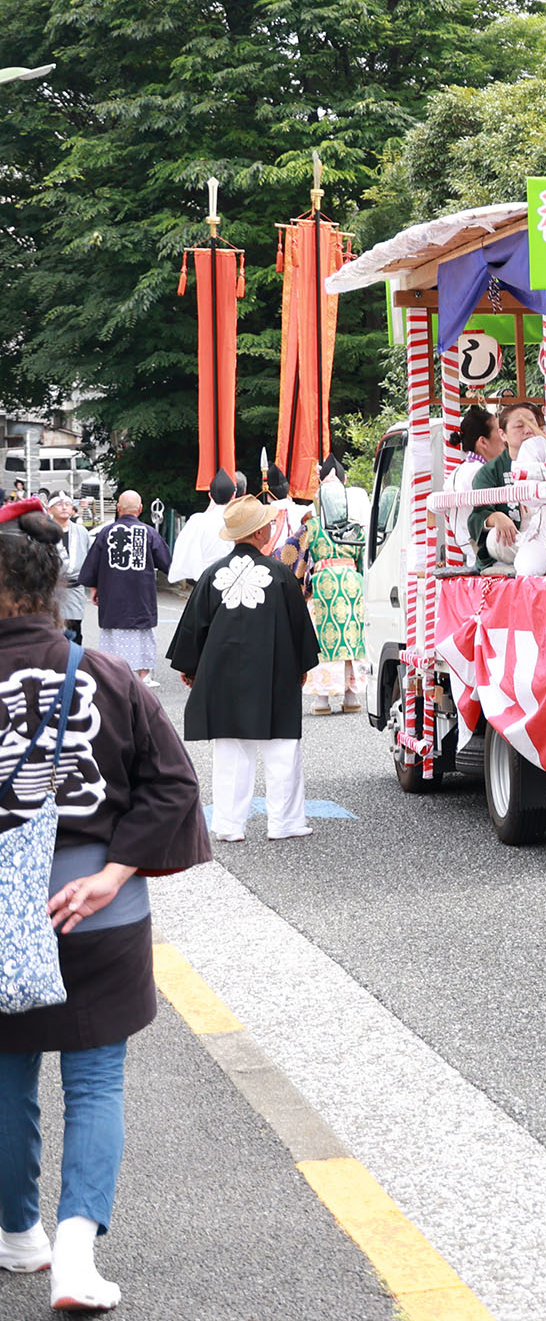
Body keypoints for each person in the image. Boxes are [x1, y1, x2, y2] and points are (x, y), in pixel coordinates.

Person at [0, 497, 210, 1311]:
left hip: (4, 912)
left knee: (7, 1076)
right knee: (95, 1081)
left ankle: (18, 1234)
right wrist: (116, 872)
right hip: (99, 908)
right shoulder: (108, 676)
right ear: (54, 589)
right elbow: (172, 785)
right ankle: (77, 1254)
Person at [164, 495, 320, 843]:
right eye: (267, 524)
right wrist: (302, 666)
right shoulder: (280, 574)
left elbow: (194, 627)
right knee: (282, 748)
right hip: (275, 671)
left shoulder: (212, 574)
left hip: (222, 674)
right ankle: (284, 822)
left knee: (231, 751)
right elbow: (299, 626)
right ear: (259, 532)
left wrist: (191, 668)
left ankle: (229, 825)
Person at [77, 495, 168, 689]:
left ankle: (113, 674)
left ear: (118, 508)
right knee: (143, 633)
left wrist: (94, 588)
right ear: (140, 508)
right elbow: (167, 562)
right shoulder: (149, 532)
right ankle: (144, 675)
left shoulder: (106, 532)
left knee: (114, 634)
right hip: (142, 596)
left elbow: (93, 564)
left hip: (113, 596)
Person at [300, 462, 367, 714]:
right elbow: (363, 559)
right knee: (351, 636)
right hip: (352, 582)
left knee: (324, 640)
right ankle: (351, 696)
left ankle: (322, 700)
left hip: (325, 583)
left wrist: (300, 587)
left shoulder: (312, 526)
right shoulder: (355, 527)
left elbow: (299, 558)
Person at [469, 402, 543, 572]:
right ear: (503, 434)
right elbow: (477, 515)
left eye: (532, 423)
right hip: (516, 540)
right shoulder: (490, 471)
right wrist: (495, 517)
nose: (528, 430)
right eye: (519, 426)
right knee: (496, 539)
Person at [445, 406, 502, 565]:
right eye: (499, 432)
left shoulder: (457, 472)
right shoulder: (480, 472)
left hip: (474, 554)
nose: (504, 437)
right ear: (483, 441)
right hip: (491, 555)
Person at [167, 470, 240, 585]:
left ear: (210, 495)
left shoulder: (197, 521)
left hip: (206, 581)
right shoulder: (241, 520)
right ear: (233, 495)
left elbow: (184, 551)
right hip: (235, 580)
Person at [48, 497, 89, 645]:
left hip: (75, 588)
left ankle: (73, 659)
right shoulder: (43, 530)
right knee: (50, 632)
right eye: (59, 504)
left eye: (67, 504)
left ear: (72, 508)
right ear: (49, 509)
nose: (64, 507)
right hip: (50, 589)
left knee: (74, 632)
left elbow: (90, 557)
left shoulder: (81, 531)